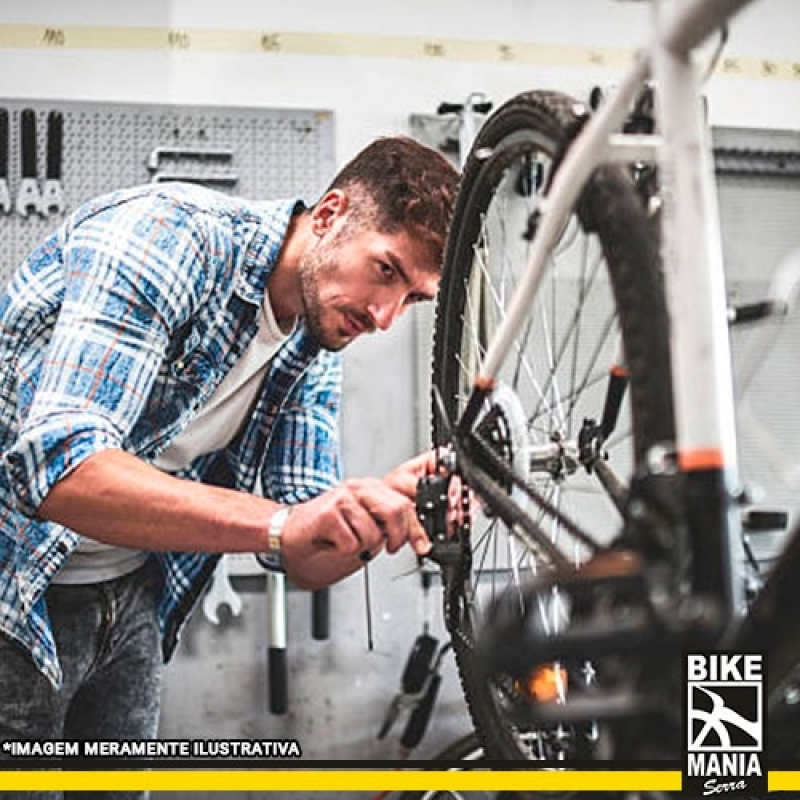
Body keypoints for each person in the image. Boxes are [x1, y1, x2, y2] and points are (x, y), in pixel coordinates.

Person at [0, 136, 459, 755]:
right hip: (17, 591)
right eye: (386, 271)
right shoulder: (166, 237)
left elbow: (304, 556)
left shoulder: (316, 336)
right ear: (328, 215)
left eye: (412, 298)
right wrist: (282, 524)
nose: (384, 317)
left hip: (130, 592)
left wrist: (380, 509)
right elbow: (59, 470)